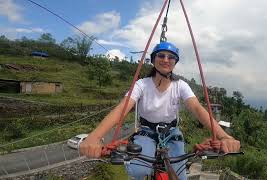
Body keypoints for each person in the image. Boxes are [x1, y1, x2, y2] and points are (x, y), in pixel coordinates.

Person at [80, 41, 240, 180]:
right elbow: (123, 107)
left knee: (179, 177)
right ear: (153, 59)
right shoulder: (142, 84)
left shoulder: (180, 85)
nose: (165, 59)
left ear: (175, 62)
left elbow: (197, 109)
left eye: (170, 57)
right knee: (139, 170)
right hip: (146, 131)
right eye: (161, 55)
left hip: (172, 132)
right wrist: (94, 137)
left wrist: (224, 136)